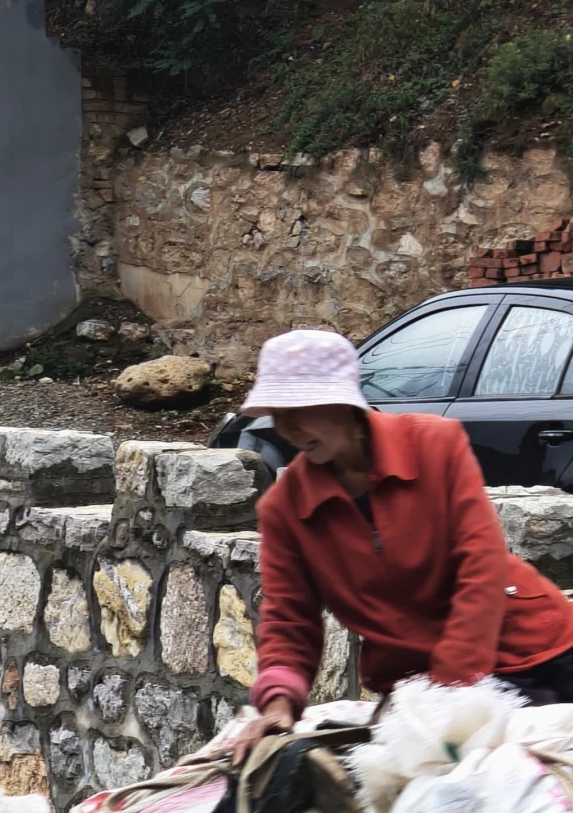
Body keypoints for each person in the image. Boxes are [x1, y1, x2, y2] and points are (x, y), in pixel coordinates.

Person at [232, 327, 573, 766]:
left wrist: (450, 692)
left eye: (299, 409)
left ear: (344, 403)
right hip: (420, 681)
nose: (287, 428)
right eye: (278, 412)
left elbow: (480, 565)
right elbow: (288, 619)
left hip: (529, 648)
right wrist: (278, 703)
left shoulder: (434, 445)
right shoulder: (286, 508)